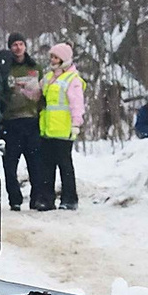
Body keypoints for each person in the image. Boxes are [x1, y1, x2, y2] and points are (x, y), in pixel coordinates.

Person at [0, 34, 45, 210]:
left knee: (36, 164)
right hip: (11, 122)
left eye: (21, 44)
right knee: (10, 165)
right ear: (9, 47)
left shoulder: (35, 68)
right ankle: (15, 199)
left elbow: (44, 93)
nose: (18, 48)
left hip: (31, 121)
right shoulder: (2, 70)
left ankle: (36, 198)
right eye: (14, 45)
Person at [38, 42, 84, 210]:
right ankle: (46, 199)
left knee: (65, 165)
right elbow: (38, 93)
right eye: (51, 56)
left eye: (56, 57)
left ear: (63, 59)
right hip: (48, 129)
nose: (52, 60)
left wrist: (76, 124)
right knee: (47, 167)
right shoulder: (49, 77)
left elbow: (77, 103)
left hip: (64, 130)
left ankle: (69, 199)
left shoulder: (72, 79)